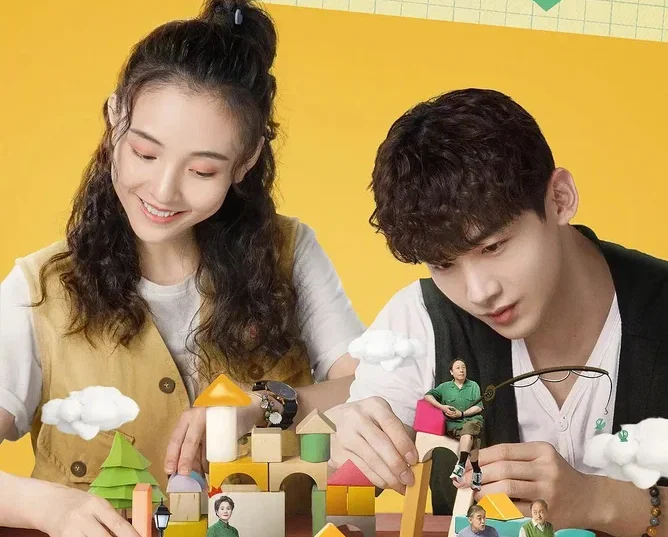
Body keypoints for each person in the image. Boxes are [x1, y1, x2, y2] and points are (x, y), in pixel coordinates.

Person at [0, 1, 364, 534]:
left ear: (246, 162)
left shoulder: (289, 252)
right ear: (114, 119)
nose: (163, 191)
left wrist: (263, 406)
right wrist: (48, 507)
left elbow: (368, 388)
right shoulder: (38, 289)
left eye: (202, 171)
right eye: (145, 154)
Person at [326, 88, 668, 535]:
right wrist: (342, 446)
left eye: (494, 247)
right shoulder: (421, 322)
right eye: (444, 265)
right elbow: (340, 490)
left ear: (559, 198)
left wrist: (600, 501)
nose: (479, 292)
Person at [424, 359, 484, 489]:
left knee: (469, 428)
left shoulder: (473, 385)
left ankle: (460, 466)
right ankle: (477, 472)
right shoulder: (444, 387)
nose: (461, 370)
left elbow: (479, 407)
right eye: (458, 368)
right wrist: (442, 407)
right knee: (473, 441)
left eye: (463, 367)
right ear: (451, 372)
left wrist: (462, 414)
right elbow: (427, 396)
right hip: (453, 425)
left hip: (473, 421)